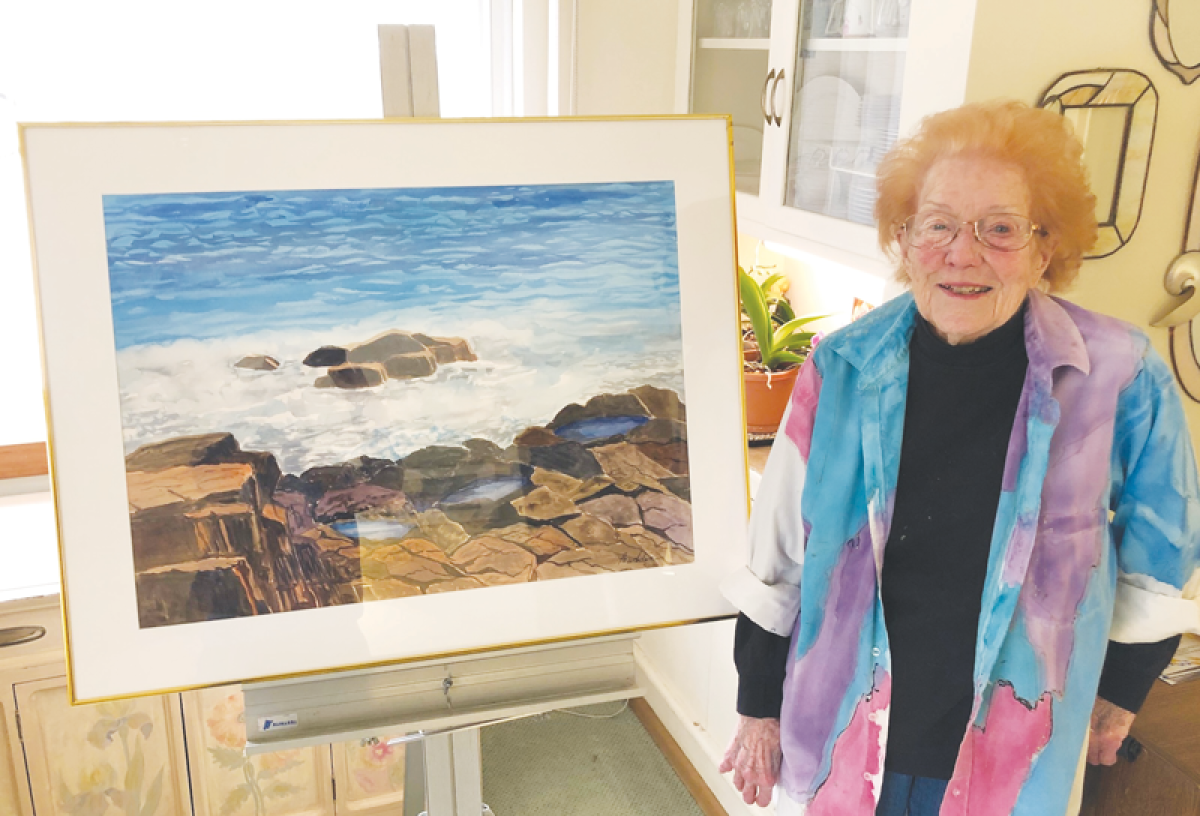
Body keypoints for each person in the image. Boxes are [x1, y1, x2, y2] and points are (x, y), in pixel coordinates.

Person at [718, 99, 1200, 816]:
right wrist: (757, 707)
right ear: (905, 239)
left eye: (999, 229)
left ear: (1045, 247)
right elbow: (777, 554)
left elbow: (1162, 555)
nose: (961, 253)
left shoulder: (1117, 372)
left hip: (1014, 736)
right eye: (936, 225)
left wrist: (1121, 693)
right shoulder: (844, 367)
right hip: (851, 723)